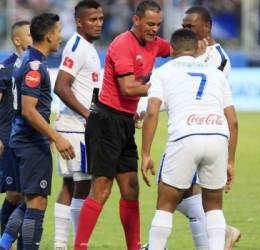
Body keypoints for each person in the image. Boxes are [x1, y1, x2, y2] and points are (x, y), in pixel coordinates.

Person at [74, 1, 170, 249]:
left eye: (158, 25)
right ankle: (79, 246)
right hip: (105, 121)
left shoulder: (156, 44)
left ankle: (133, 247)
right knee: (102, 188)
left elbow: (179, 50)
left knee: (131, 189)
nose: (154, 29)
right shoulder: (121, 44)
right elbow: (128, 89)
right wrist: (158, 88)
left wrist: (201, 46)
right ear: (136, 20)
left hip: (125, 122)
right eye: (150, 24)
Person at [141, 28, 238, 250]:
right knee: (214, 206)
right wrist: (230, 161)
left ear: (172, 49)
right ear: (197, 49)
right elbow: (233, 120)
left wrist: (146, 153)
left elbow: (153, 112)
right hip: (217, 136)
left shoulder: (163, 71)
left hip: (185, 136)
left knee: (165, 204)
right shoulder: (215, 73)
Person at [0, 13, 75, 250]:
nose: (61, 37)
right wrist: (56, 137)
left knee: (28, 200)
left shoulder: (24, 60)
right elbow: (29, 110)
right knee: (37, 203)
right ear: (50, 35)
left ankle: (3, 244)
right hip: (31, 142)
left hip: (22, 140)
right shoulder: (35, 66)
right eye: (59, 32)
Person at [180, 6, 240, 250]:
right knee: (187, 193)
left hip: (205, 131)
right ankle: (218, 236)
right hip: (191, 130)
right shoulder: (193, 53)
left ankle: (222, 233)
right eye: (183, 26)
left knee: (181, 193)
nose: (184, 30)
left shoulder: (217, 58)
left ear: (206, 27)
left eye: (189, 26)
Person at [53, 1, 103, 248]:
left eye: (100, 19)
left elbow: (89, 89)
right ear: (79, 22)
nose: (98, 23)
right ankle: (74, 244)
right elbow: (60, 86)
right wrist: (88, 114)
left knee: (72, 184)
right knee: (82, 185)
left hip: (79, 125)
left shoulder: (87, 47)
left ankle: (64, 244)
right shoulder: (76, 46)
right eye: (92, 19)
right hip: (76, 126)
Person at [0, 20, 32, 249]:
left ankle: (15, 241)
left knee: (25, 194)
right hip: (8, 139)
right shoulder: (6, 68)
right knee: (15, 194)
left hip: (28, 141)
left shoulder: (34, 66)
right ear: (18, 40)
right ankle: (6, 240)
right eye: (31, 34)